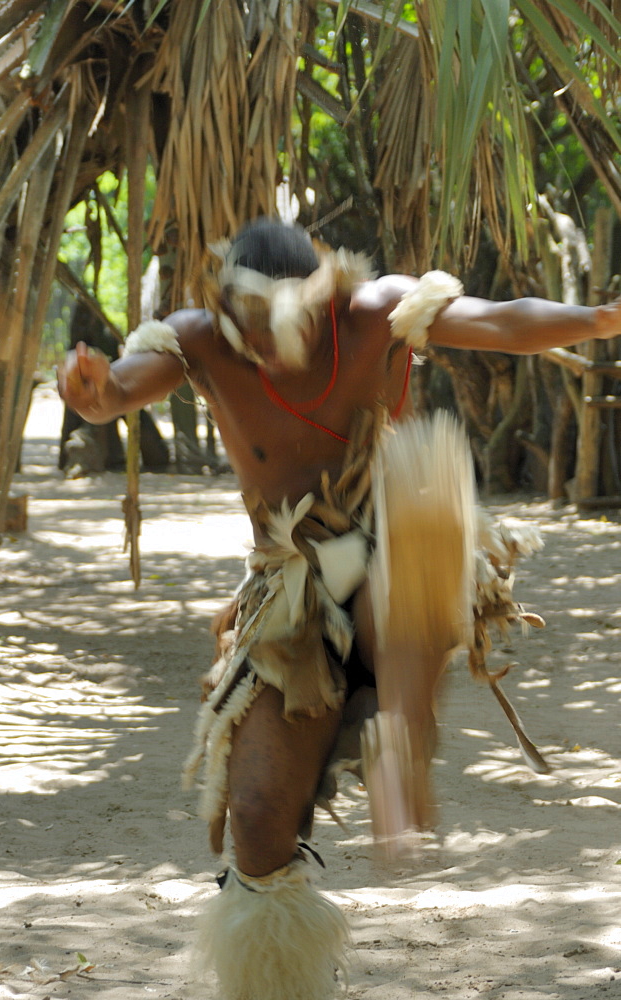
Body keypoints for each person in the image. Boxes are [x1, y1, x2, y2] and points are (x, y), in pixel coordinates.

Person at [58, 217, 620, 1000]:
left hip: (399, 555)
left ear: (318, 301)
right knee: (255, 820)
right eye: (239, 323)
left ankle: (403, 732)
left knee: (421, 483)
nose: (252, 341)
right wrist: (91, 391)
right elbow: (116, 390)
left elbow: (500, 319)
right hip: (290, 594)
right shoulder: (198, 342)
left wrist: (600, 319)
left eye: (269, 323)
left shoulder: (375, 315)